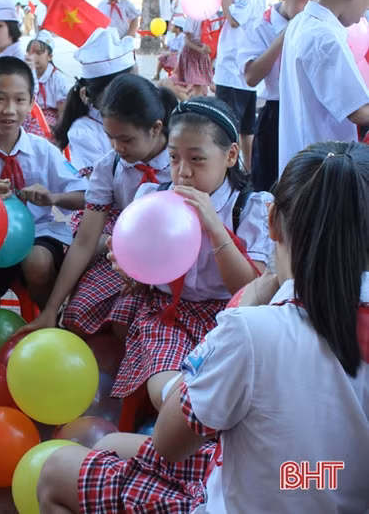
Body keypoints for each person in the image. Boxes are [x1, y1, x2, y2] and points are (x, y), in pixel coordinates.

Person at [39, 141, 369, 513]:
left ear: (272, 220)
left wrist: (239, 309)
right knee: (107, 446)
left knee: (56, 472)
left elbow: (168, 442)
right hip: (312, 476)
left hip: (243, 496)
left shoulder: (253, 330)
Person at [114, 97, 272, 412]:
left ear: (230, 155)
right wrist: (128, 265)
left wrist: (215, 227)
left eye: (197, 160)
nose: (182, 172)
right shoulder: (152, 197)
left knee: (232, 393)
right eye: (173, 158)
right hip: (168, 315)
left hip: (228, 320)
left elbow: (248, 291)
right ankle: (186, 432)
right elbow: (141, 268)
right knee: (170, 394)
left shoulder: (250, 208)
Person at [18, 75, 176, 341]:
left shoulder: (181, 164)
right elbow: (85, 242)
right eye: (110, 137)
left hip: (175, 261)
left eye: (126, 139)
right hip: (125, 255)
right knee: (78, 315)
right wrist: (52, 309)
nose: (117, 147)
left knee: (130, 318)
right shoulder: (110, 165)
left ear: (156, 128)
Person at [0, 57, 86, 312]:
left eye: (20, 100)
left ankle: (48, 323)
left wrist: (54, 198)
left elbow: (85, 195)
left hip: (38, 234)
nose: (9, 109)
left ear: (32, 103)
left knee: (37, 262)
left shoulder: (44, 150)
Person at [278, 0, 369, 175]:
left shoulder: (302, 21)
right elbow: (358, 111)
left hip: (305, 161)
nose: (366, 10)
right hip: (323, 168)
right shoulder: (324, 38)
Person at [239, 0, 315, 192]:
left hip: (309, 110)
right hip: (276, 113)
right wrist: (282, 38)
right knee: (271, 183)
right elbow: (251, 76)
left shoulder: (317, 24)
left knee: (307, 182)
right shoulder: (261, 26)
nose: (310, 5)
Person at [53, 28, 135, 175]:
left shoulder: (139, 116)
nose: (128, 96)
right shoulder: (83, 132)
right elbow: (99, 187)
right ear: (86, 94)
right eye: (116, 91)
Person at [214, 0, 266, 171]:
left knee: (227, 125)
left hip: (233, 71)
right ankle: (248, 169)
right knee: (246, 127)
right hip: (241, 70)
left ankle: (229, 171)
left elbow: (235, 19)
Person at [25, 30, 69, 135]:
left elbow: (63, 111)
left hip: (50, 119)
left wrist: (60, 131)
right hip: (27, 115)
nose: (33, 57)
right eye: (30, 53)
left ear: (50, 56)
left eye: (38, 53)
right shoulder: (24, 75)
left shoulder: (58, 78)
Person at [166, 16, 213, 100]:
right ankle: (190, 103)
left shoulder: (212, 17)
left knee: (199, 86)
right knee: (193, 83)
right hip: (191, 53)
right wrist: (200, 49)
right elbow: (187, 40)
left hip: (203, 55)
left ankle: (191, 103)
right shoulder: (193, 16)